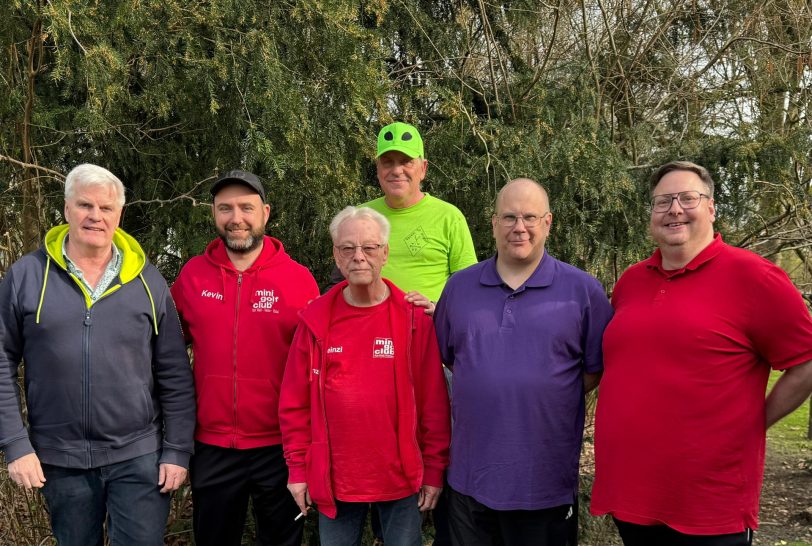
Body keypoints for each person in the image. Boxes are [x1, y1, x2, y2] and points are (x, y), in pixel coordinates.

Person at [590, 161, 812, 546]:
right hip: (632, 492)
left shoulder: (755, 277)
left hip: (709, 501)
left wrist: (754, 421)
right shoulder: (632, 280)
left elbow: (806, 363)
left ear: (711, 208)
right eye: (663, 201)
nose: (674, 209)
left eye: (687, 198)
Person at [0, 163, 196, 546]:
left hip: (139, 456)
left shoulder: (148, 281)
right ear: (67, 208)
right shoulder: (26, 276)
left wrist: (177, 449)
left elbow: (174, 371)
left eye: (106, 208)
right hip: (59, 459)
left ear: (119, 214)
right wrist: (15, 444)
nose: (95, 216)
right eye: (85, 205)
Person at [433, 178, 613, 546]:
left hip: (544, 481)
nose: (519, 227)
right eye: (509, 217)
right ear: (494, 223)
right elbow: (451, 360)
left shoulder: (583, 291)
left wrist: (546, 389)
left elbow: (594, 368)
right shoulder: (459, 288)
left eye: (530, 217)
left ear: (548, 223)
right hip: (471, 479)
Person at [279, 206, 451, 546]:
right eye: (348, 248)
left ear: (385, 253)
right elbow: (294, 404)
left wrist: (434, 469)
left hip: (400, 477)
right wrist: (298, 470)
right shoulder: (314, 322)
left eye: (369, 247)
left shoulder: (414, 320)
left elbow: (434, 402)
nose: (359, 257)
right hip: (335, 478)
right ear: (336, 255)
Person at [171, 170, 319, 546]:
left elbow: (315, 369)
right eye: (225, 208)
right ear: (214, 214)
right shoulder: (192, 276)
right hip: (212, 444)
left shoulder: (299, 280)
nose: (236, 217)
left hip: (280, 445)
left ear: (265, 213)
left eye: (246, 207)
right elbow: (166, 355)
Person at [332, 121, 477, 304]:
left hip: (428, 328)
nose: (396, 171)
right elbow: (338, 281)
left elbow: (468, 287)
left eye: (406, 162)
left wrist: (438, 310)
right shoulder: (359, 217)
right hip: (367, 327)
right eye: (387, 163)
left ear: (423, 168)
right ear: (378, 169)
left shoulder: (449, 217)